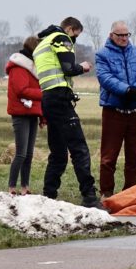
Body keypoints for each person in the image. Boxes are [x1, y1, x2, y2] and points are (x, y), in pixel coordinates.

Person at [33, 17, 102, 208]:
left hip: (48, 99)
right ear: (70, 29)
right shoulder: (61, 38)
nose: (74, 40)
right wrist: (83, 67)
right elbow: (68, 69)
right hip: (60, 98)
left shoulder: (42, 43)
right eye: (76, 35)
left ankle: (48, 195)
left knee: (58, 153)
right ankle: (89, 196)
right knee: (79, 149)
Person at [95, 21, 136, 198]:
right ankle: (106, 193)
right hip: (114, 112)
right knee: (109, 156)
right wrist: (126, 90)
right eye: (120, 35)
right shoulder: (102, 55)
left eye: (126, 35)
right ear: (111, 35)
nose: (123, 38)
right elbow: (105, 77)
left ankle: (130, 192)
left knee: (134, 156)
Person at [6, 36, 44, 196]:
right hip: (20, 114)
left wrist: (42, 117)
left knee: (28, 154)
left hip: (32, 114)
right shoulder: (19, 67)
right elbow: (21, 90)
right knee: (21, 153)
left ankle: (25, 186)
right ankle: (11, 186)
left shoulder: (33, 67)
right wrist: (43, 93)